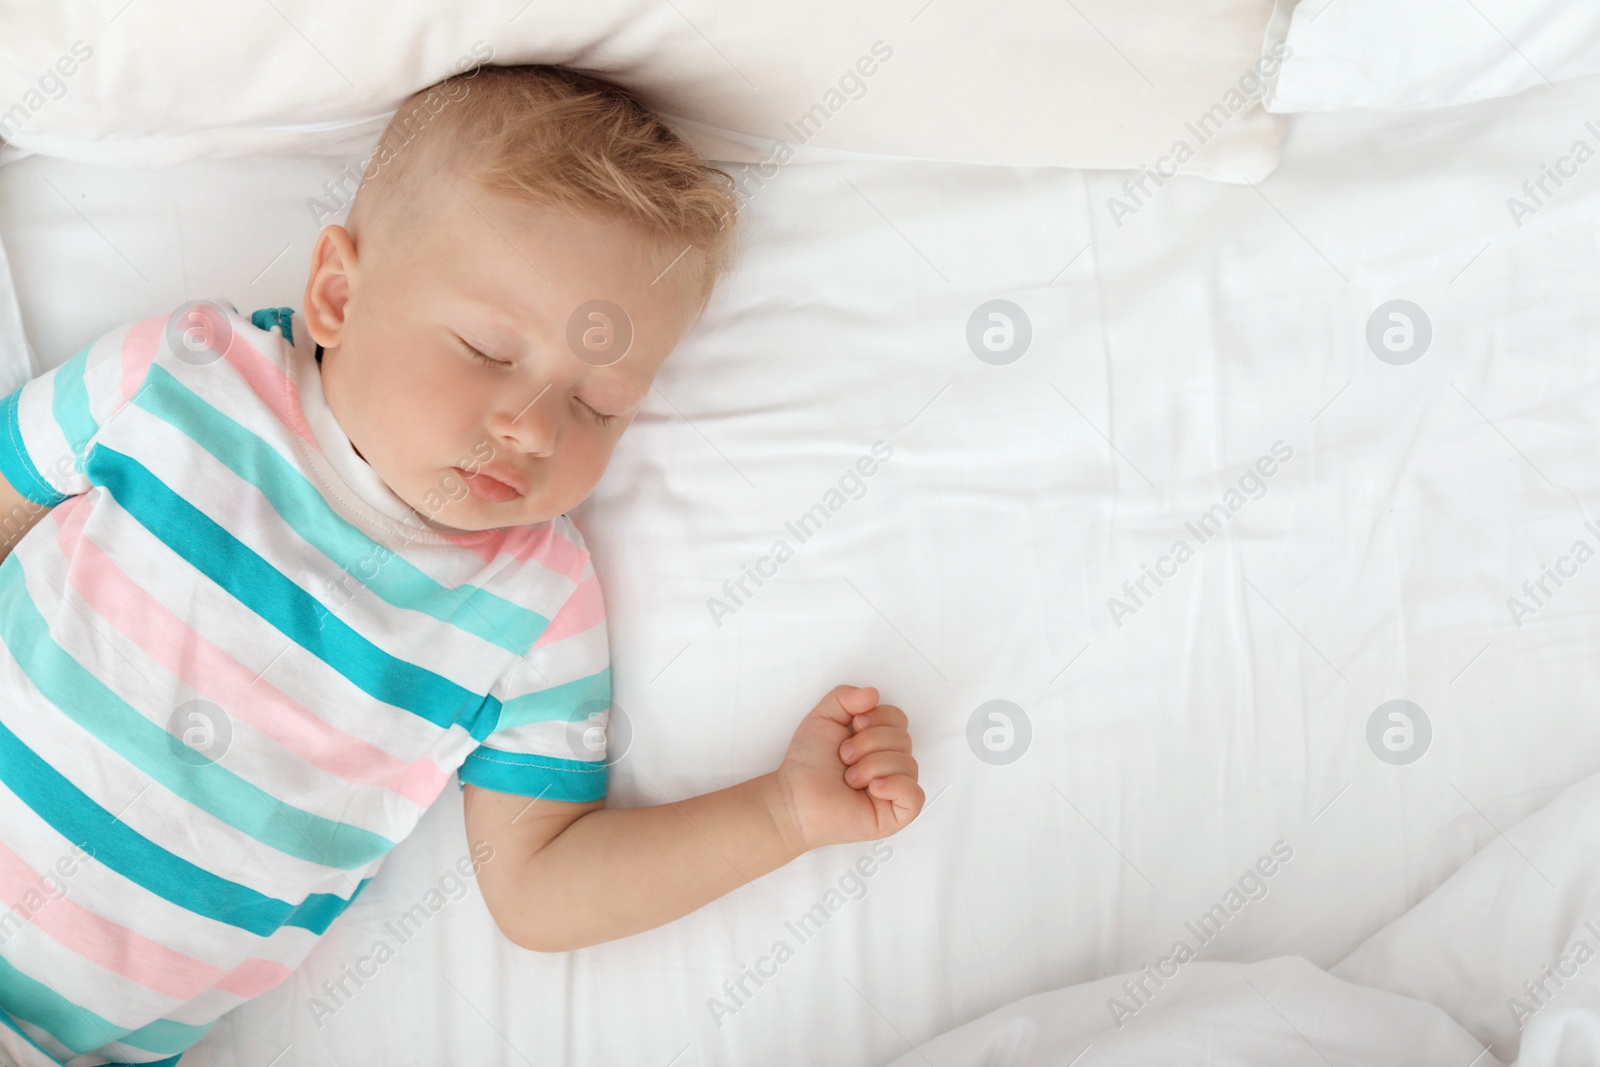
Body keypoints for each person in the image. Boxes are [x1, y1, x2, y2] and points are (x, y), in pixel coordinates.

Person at [0, 63, 922, 1066]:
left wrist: (778, 813)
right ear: (338, 293)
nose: (529, 426)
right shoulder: (181, 375)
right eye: (489, 349)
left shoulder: (534, 602)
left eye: (597, 403)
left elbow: (540, 884)